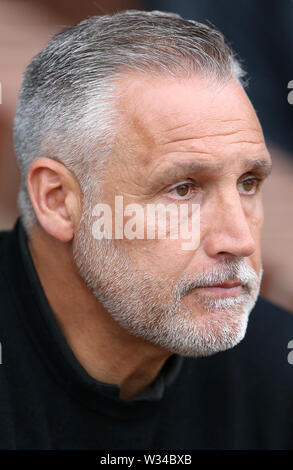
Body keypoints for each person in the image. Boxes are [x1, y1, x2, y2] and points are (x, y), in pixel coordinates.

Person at [0, 10, 292, 450]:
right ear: (58, 201)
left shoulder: (275, 368)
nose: (241, 240)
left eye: (248, 183)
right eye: (182, 189)